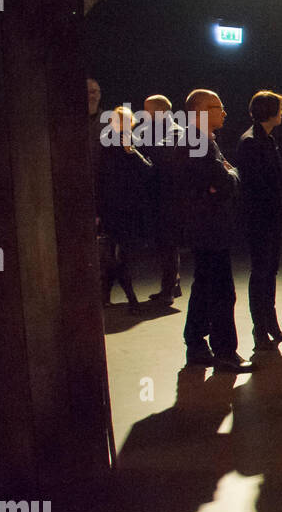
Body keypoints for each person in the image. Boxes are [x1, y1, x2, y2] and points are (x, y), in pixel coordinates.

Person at [181, 89, 255, 373]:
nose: (224, 112)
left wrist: (227, 175)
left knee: (203, 286)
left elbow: (222, 177)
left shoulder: (202, 139)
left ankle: (196, 344)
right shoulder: (198, 141)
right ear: (200, 111)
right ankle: (226, 352)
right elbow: (222, 181)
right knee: (223, 291)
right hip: (209, 228)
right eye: (218, 107)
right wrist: (231, 175)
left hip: (205, 228)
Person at [237, 90, 282, 350]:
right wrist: (280, 207)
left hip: (270, 217)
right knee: (261, 273)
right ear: (270, 112)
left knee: (269, 272)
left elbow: (275, 179)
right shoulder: (251, 142)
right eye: (280, 109)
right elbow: (256, 188)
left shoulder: (266, 139)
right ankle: (260, 328)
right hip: (260, 220)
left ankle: (270, 324)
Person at [96, 105, 153, 313]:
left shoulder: (136, 144)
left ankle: (105, 295)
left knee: (120, 256)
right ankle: (132, 299)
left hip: (131, 210)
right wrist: (99, 211)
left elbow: (149, 172)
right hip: (113, 209)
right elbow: (101, 180)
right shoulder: (107, 146)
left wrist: (132, 152)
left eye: (127, 122)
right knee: (117, 256)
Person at [142, 94, 186, 304]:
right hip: (161, 195)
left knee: (168, 243)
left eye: (148, 111)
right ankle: (171, 285)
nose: (145, 115)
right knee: (165, 243)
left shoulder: (175, 133)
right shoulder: (155, 132)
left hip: (170, 197)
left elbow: (165, 162)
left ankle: (169, 288)